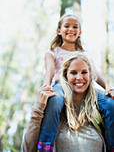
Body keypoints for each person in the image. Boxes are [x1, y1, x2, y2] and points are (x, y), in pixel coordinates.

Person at [35, 14, 114, 151]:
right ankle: (45, 145)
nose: (71, 29)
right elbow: (50, 70)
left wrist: (107, 86)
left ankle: (111, 144)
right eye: (67, 26)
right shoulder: (53, 52)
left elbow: (94, 72)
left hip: (85, 87)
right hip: (62, 85)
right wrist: (46, 85)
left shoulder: (83, 54)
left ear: (80, 32)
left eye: (75, 27)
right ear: (59, 30)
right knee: (54, 101)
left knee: (110, 103)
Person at [23, 52, 112, 152]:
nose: (79, 77)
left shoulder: (100, 115)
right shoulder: (53, 114)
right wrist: (38, 108)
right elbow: (28, 149)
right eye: (73, 73)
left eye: (84, 72)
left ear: (90, 75)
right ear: (65, 76)